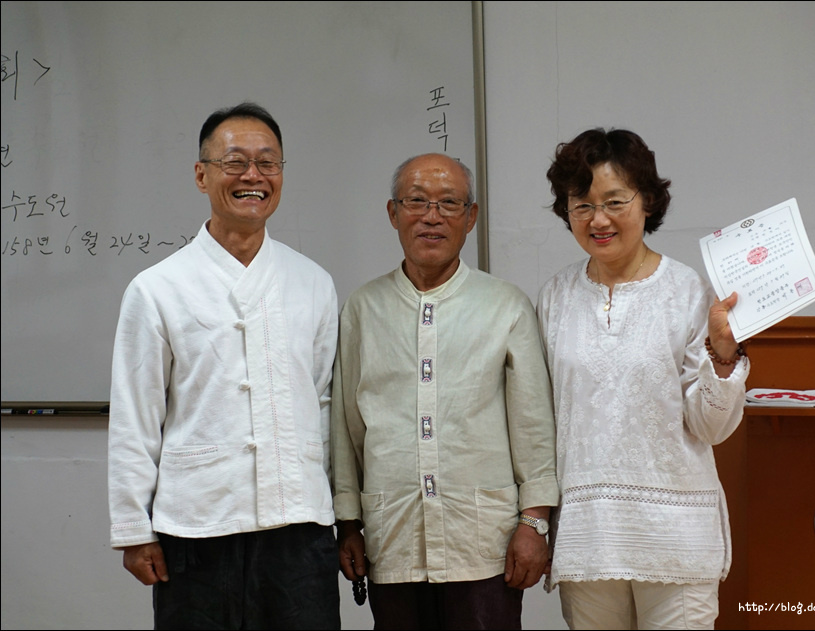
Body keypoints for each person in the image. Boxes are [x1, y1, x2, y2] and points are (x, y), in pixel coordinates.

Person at [107, 102, 341, 630]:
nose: (252, 176)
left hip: (298, 524)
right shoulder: (156, 288)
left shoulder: (313, 282)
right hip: (196, 524)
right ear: (201, 174)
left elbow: (322, 400)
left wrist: (338, 511)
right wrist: (132, 527)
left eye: (268, 163)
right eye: (235, 162)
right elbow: (135, 414)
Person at [331, 153, 558, 630]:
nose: (431, 216)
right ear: (393, 213)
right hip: (392, 537)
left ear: (470, 217)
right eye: (416, 201)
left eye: (448, 204)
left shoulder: (506, 306)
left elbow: (534, 426)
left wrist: (535, 522)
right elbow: (347, 429)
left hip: (482, 541)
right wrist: (348, 523)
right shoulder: (362, 309)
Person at [537, 128, 750, 630]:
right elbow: (541, 420)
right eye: (582, 204)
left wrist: (723, 353)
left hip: (676, 539)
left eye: (615, 201)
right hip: (589, 536)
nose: (599, 219)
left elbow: (711, 428)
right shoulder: (555, 297)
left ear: (647, 201)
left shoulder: (688, 291)